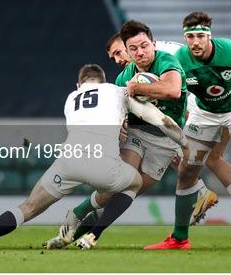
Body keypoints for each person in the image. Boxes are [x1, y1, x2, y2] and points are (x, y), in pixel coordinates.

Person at [0, 64, 188, 250]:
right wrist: (185, 144)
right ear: (104, 82)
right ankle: (93, 233)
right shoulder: (118, 92)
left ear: (79, 85)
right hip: (103, 164)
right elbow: (161, 120)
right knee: (135, 183)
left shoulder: (71, 98)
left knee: (28, 208)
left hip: (69, 162)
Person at [44, 20, 189, 249]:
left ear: (153, 43)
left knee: (130, 193)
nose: (139, 52)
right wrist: (119, 127)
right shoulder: (123, 79)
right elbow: (120, 114)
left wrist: (140, 88)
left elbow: (171, 91)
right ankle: (86, 234)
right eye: (134, 49)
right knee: (119, 185)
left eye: (144, 46)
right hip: (138, 134)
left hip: (165, 141)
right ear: (129, 50)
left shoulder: (167, 61)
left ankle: (77, 225)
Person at [145, 11, 231, 249]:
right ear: (184, 38)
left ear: (209, 35)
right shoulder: (180, 60)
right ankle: (180, 238)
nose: (195, 42)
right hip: (205, 113)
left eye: (200, 36)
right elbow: (175, 93)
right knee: (187, 170)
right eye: (190, 37)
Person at [107, 33, 231, 242]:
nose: (118, 60)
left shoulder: (164, 58)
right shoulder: (144, 64)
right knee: (211, 158)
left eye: (119, 52)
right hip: (218, 96)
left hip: (212, 98)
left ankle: (202, 197)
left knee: (177, 143)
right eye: (113, 58)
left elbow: (181, 88)